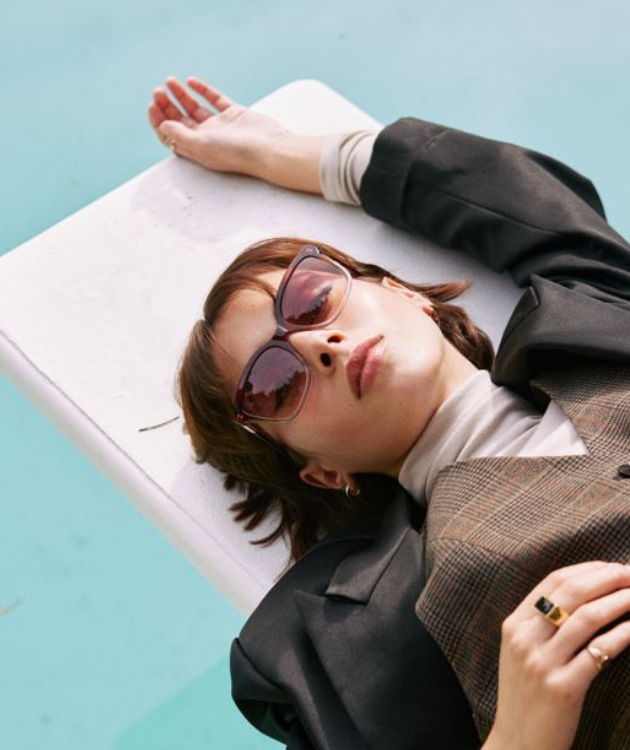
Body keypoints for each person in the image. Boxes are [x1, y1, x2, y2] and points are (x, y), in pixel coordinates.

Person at [147, 77, 630, 750]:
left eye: (312, 300)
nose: (317, 344)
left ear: (404, 292)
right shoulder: (347, 642)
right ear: (319, 472)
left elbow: (509, 194)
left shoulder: (604, 323)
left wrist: (278, 153)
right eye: (274, 382)